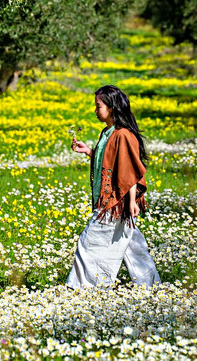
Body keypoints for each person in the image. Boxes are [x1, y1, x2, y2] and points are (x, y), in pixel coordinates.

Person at [66, 85, 161, 289]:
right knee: (132, 247)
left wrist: (131, 202)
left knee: (89, 243)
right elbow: (111, 162)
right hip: (113, 199)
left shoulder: (123, 134)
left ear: (111, 108)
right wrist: (90, 152)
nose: (95, 110)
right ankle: (151, 286)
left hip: (115, 202)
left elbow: (129, 171)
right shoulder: (108, 132)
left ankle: (87, 289)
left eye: (98, 106)